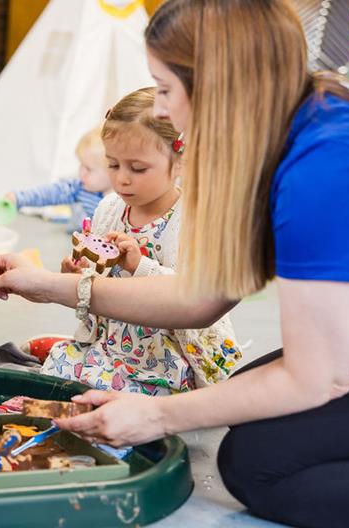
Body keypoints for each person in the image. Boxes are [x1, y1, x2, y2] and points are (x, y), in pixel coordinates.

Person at [0, 1, 349, 526]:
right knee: (242, 411)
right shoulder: (296, 120)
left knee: (258, 466)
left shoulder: (333, 168)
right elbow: (200, 297)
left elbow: (317, 378)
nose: (160, 108)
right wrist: (48, 284)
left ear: (219, 86)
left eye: (166, 87)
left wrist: (153, 413)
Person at [41, 87, 242, 394]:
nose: (122, 178)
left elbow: (193, 295)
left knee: (123, 394)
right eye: (112, 164)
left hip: (165, 357)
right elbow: (97, 289)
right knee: (57, 366)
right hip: (111, 347)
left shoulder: (191, 220)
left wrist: (140, 265)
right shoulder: (109, 208)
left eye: (137, 168)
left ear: (180, 163)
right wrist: (78, 276)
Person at [5, 126, 111, 232]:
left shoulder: (122, 200)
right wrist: (19, 198)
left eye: (88, 169)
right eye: (81, 165)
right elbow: (50, 193)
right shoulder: (78, 187)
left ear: (112, 172)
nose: (81, 173)